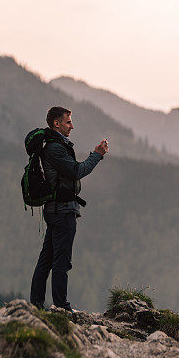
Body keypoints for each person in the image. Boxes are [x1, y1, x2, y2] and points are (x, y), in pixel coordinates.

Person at [29, 106, 108, 312]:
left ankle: (37, 304)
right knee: (61, 262)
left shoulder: (56, 145)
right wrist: (97, 155)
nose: (72, 126)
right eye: (68, 122)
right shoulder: (55, 148)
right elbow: (76, 171)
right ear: (57, 123)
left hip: (57, 210)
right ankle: (61, 307)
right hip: (62, 211)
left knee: (46, 259)